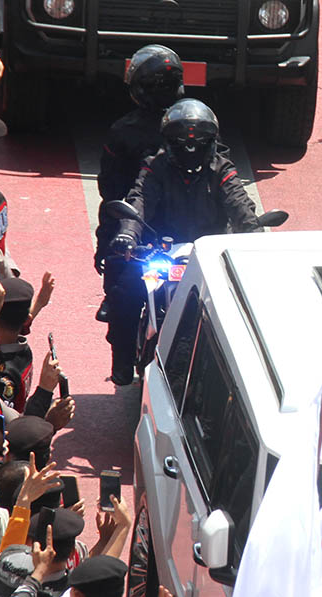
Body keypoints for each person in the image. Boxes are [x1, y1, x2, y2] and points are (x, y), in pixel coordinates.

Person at [109, 98, 261, 385]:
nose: (191, 148)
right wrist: (128, 233)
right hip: (158, 253)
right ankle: (123, 360)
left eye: (199, 142)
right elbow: (139, 199)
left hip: (209, 258)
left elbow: (241, 206)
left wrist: (255, 237)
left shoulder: (222, 170)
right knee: (123, 293)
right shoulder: (155, 167)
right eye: (182, 142)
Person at [95, 45, 183, 322]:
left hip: (181, 224)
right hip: (139, 224)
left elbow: (109, 188)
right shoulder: (125, 131)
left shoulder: (124, 129)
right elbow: (112, 192)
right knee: (121, 301)